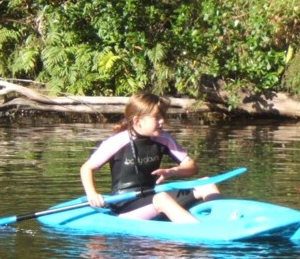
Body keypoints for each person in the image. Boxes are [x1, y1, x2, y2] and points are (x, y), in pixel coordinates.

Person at [80, 92, 219, 222]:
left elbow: (192, 167)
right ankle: (200, 231)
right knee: (162, 199)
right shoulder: (117, 142)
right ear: (137, 120)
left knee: (206, 183)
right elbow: (86, 168)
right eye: (156, 117)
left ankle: (226, 220)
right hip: (123, 205)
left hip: (153, 196)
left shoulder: (164, 139)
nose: (162, 121)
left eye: (162, 116)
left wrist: (173, 171)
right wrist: (92, 194)